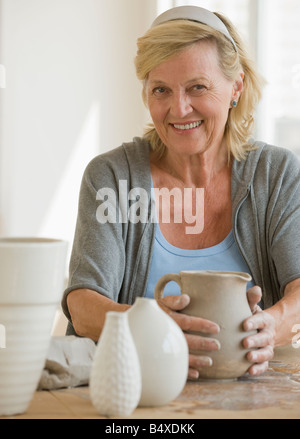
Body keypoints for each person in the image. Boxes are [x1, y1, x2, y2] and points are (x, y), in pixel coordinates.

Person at [62, 6, 300, 380]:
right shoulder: (112, 177)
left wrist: (273, 324)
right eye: (161, 90)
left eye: (197, 87)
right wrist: (153, 329)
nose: (179, 108)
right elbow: (82, 305)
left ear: (235, 87)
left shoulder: (276, 175)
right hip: (141, 400)